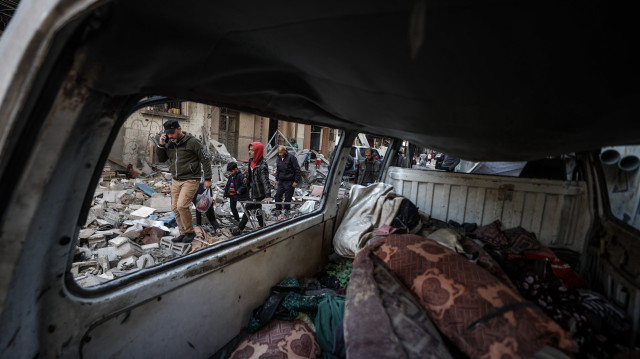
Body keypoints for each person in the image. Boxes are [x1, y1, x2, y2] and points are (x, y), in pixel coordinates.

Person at [157, 119, 212, 243]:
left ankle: (189, 232)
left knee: (182, 206)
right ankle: (183, 233)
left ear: (179, 130)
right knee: (175, 208)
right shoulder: (169, 143)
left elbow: (205, 159)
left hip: (191, 179)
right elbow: (161, 159)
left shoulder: (193, 142)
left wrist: (207, 178)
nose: (170, 136)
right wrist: (161, 145)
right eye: (168, 133)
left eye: (172, 133)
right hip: (176, 179)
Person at [232, 142, 272, 235]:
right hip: (252, 190)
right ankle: (262, 225)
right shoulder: (251, 161)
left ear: (258, 151)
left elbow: (265, 181)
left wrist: (268, 195)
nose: (249, 152)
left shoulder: (263, 165)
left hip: (259, 192)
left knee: (247, 208)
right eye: (249, 149)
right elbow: (250, 174)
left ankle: (240, 228)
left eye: (252, 150)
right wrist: (247, 179)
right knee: (257, 206)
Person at [274, 145, 301, 213]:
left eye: (281, 152)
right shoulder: (279, 158)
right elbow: (278, 170)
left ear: (285, 151)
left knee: (287, 198)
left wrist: (296, 181)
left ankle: (286, 211)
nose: (280, 154)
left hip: (289, 181)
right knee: (277, 196)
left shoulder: (291, 158)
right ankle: (278, 211)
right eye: (279, 152)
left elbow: (297, 170)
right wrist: (276, 179)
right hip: (281, 181)